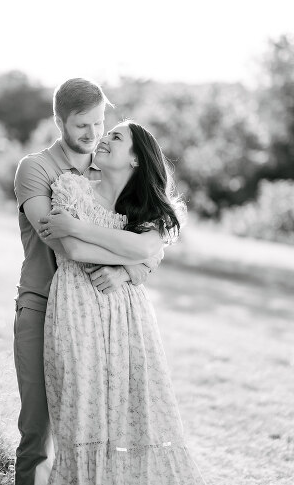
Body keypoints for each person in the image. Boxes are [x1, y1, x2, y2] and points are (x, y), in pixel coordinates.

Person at [37, 121, 205, 484]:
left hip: (129, 315)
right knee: (81, 406)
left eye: (116, 137)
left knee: (132, 409)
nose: (104, 139)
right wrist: (127, 258)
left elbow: (146, 248)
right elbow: (75, 252)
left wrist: (78, 228)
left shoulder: (148, 210)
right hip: (76, 306)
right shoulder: (72, 189)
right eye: (107, 133)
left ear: (135, 160)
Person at [13, 78, 159, 485]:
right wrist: (134, 255)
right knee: (38, 431)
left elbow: (151, 241)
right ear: (59, 120)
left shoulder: (110, 164)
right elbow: (64, 243)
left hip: (102, 317)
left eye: (99, 124)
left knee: (98, 428)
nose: (93, 135)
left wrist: (131, 268)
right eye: (82, 125)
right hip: (42, 305)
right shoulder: (36, 169)